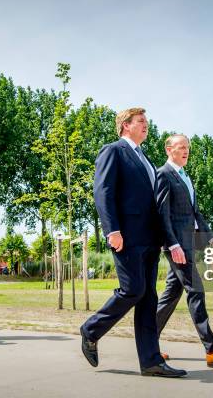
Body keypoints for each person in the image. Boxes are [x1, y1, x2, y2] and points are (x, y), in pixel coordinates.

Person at [79, 108, 186, 377]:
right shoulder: (113, 150)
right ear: (126, 126)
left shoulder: (146, 159)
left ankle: (151, 361)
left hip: (150, 239)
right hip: (126, 236)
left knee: (149, 299)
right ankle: (91, 329)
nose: (146, 126)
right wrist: (111, 229)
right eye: (141, 122)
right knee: (133, 290)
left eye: (147, 122)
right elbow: (103, 191)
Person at [155, 134, 213, 368]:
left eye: (188, 148)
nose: (186, 151)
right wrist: (172, 244)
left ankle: (147, 343)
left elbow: (195, 215)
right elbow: (162, 214)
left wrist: (212, 239)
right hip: (177, 245)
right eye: (181, 147)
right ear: (169, 149)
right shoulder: (163, 174)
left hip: (189, 242)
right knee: (196, 290)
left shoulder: (186, 177)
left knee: (171, 296)